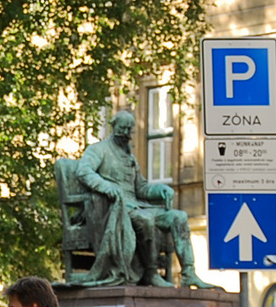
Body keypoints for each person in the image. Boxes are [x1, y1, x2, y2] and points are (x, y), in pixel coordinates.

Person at [74, 109, 208, 288]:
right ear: (114, 127)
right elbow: (84, 171)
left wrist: (160, 190)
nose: (126, 135)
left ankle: (189, 273)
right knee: (145, 221)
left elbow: (142, 188)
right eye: (123, 129)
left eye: (129, 130)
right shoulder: (98, 150)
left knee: (179, 217)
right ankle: (151, 272)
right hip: (116, 207)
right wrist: (107, 186)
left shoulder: (129, 157)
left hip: (138, 205)